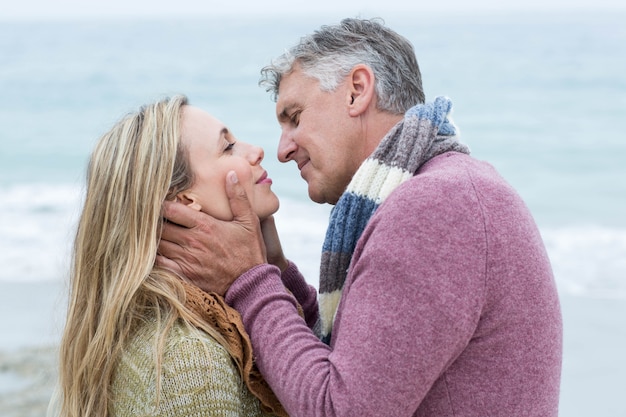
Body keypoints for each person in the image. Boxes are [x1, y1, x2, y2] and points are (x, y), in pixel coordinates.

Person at [158, 18, 563, 417]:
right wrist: (275, 271)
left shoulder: (435, 208)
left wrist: (248, 282)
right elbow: (363, 366)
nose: (281, 150)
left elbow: (341, 408)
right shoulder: (450, 189)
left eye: (295, 117)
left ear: (356, 91)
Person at [51, 95, 288, 417]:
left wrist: (273, 270)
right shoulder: (191, 363)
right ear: (184, 201)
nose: (256, 150)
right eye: (228, 147)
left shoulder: (156, 320)